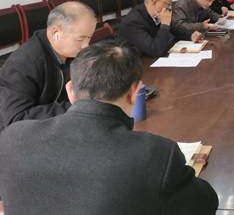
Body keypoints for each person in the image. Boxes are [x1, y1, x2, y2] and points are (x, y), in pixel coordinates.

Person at [0, 41, 219, 215]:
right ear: (135, 93)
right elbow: (205, 204)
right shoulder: (155, 153)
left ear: (70, 91)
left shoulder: (12, 138)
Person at [0, 2, 96, 131]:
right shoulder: (23, 64)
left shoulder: (70, 52)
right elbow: (16, 119)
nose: (86, 46)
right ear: (56, 33)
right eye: (80, 39)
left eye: (89, 38)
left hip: (53, 123)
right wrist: (75, 107)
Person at [118, 0, 202, 57]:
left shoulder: (155, 12)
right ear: (153, 2)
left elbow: (172, 29)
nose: (170, 8)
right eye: (167, 4)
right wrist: (164, 25)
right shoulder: (133, 22)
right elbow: (155, 50)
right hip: (136, 64)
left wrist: (190, 35)